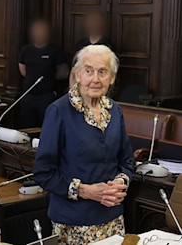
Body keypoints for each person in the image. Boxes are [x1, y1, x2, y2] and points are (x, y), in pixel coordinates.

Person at [33, 45, 134, 244]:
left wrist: (120, 182)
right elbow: (43, 173)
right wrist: (86, 191)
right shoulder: (58, 111)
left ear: (112, 78)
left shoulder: (115, 111)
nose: (95, 79)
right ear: (77, 75)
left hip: (113, 220)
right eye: (89, 71)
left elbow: (127, 162)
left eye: (102, 72)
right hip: (73, 223)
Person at [18, 19, 69, 128]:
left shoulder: (54, 50)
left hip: (46, 97)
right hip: (28, 96)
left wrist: (48, 78)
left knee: (47, 128)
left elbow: (64, 72)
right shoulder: (26, 50)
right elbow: (23, 70)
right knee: (26, 129)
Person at [70, 12, 113, 88]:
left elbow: (109, 73)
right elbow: (74, 71)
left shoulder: (108, 45)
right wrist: (72, 92)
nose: (93, 24)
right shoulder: (80, 43)